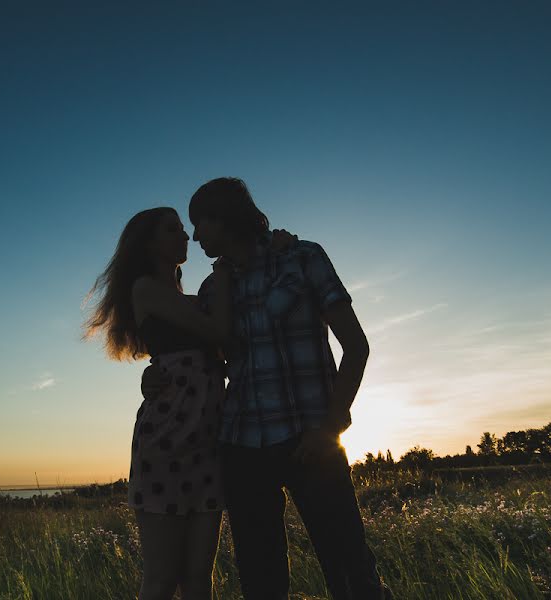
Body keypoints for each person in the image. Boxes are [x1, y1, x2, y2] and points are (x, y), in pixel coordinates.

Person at [143, 178, 390, 599]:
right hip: (241, 450)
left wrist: (330, 426)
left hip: (311, 441)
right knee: (261, 582)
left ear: (223, 218)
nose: (196, 236)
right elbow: (191, 357)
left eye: (200, 223)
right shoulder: (212, 289)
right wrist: (154, 374)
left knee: (352, 574)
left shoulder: (303, 258)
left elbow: (357, 347)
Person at [83, 207, 231, 600]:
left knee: (200, 578)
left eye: (184, 229)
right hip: (167, 440)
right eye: (173, 229)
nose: (185, 236)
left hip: (208, 441)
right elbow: (218, 330)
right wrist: (228, 276)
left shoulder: (184, 295)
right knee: (162, 580)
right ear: (148, 243)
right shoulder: (146, 288)